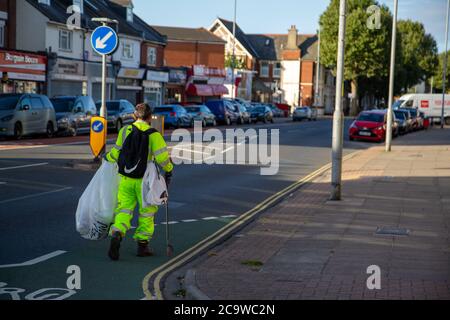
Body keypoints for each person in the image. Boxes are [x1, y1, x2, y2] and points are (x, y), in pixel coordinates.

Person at [105, 103, 173, 261]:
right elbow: (163, 158)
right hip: (145, 180)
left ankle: (117, 233)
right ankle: (143, 246)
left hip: (126, 179)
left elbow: (116, 152)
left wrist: (106, 159)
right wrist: (169, 169)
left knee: (124, 210)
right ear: (150, 117)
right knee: (147, 212)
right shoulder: (154, 135)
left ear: (135, 116)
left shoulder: (125, 130)